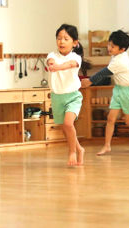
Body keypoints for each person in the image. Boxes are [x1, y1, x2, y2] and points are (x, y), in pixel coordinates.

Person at [80, 30, 129, 155]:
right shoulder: (116, 56)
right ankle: (107, 145)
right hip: (118, 89)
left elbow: (103, 72)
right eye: (109, 44)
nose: (109, 48)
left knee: (128, 122)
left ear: (122, 49)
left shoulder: (120, 60)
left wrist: (90, 81)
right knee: (110, 119)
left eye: (112, 46)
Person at [47, 24, 85, 166]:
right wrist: (52, 64)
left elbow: (70, 65)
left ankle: (72, 152)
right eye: (59, 38)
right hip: (57, 97)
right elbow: (50, 61)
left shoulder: (76, 57)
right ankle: (79, 149)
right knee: (66, 128)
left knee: (69, 124)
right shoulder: (52, 55)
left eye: (65, 39)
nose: (61, 41)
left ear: (75, 43)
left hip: (73, 96)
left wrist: (57, 67)